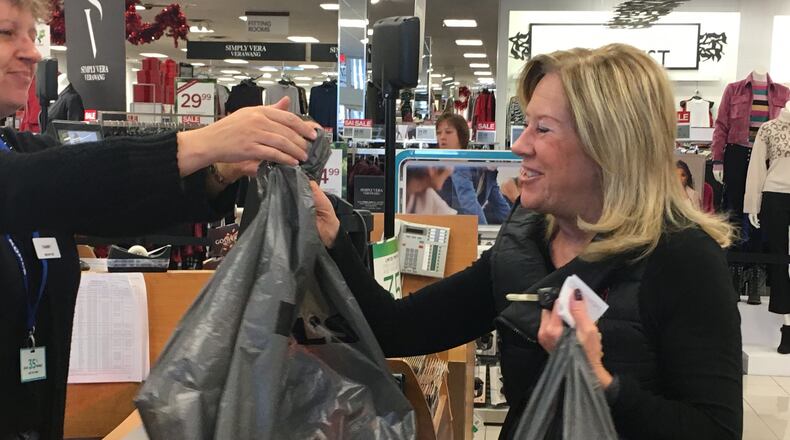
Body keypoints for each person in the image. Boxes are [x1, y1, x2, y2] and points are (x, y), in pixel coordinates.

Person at [310, 44, 741, 439]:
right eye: (526, 125)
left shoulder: (685, 258)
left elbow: (715, 429)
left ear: (607, 144)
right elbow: (396, 329)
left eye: (543, 129)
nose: (519, 145)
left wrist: (600, 384)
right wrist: (333, 241)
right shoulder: (527, 237)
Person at [0, 0, 316, 438]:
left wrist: (218, 171)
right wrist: (202, 142)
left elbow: (107, 201)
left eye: (30, 35)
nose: (32, 52)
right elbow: (39, 184)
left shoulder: (15, 148)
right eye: (5, 33)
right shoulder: (21, 170)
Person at [435, 113, 512, 224]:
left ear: (461, 135)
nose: (442, 137)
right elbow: (469, 205)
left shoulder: (478, 168)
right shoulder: (453, 166)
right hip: (446, 226)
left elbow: (499, 203)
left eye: (448, 132)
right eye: (438, 133)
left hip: (459, 226)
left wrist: (512, 226)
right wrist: (483, 232)